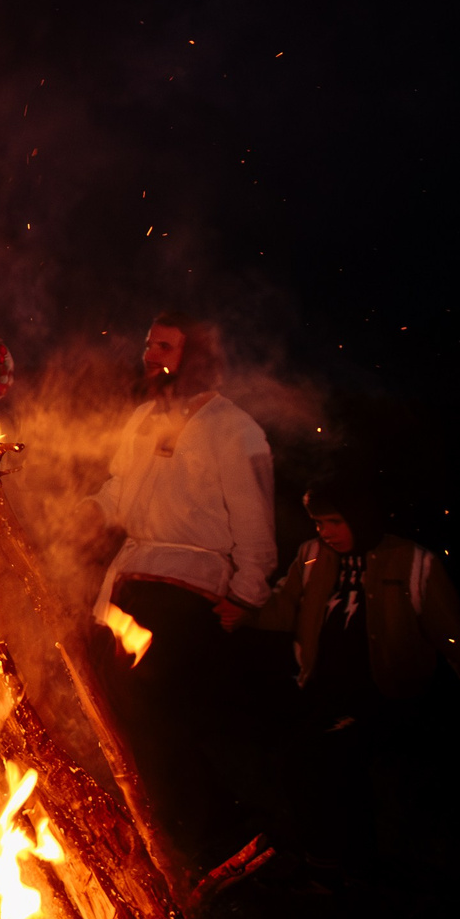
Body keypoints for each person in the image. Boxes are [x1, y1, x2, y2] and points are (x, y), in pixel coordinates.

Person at [85, 311, 275, 862]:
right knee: (109, 702)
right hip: (130, 580)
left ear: (196, 358)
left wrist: (247, 591)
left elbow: (254, 518)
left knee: (151, 702)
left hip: (188, 587)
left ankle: (222, 836)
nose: (150, 356)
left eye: (164, 347)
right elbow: (121, 491)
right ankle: (152, 828)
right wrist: (91, 510)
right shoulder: (144, 418)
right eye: (149, 344)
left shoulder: (235, 429)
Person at [258, 473, 460, 865]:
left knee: (323, 761)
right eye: (318, 522)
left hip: (383, 695)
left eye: (335, 521)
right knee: (298, 764)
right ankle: (325, 860)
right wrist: (232, 609)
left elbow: (454, 636)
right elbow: (282, 608)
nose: (325, 531)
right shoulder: (314, 556)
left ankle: (353, 866)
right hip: (325, 693)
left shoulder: (413, 563)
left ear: (360, 517)